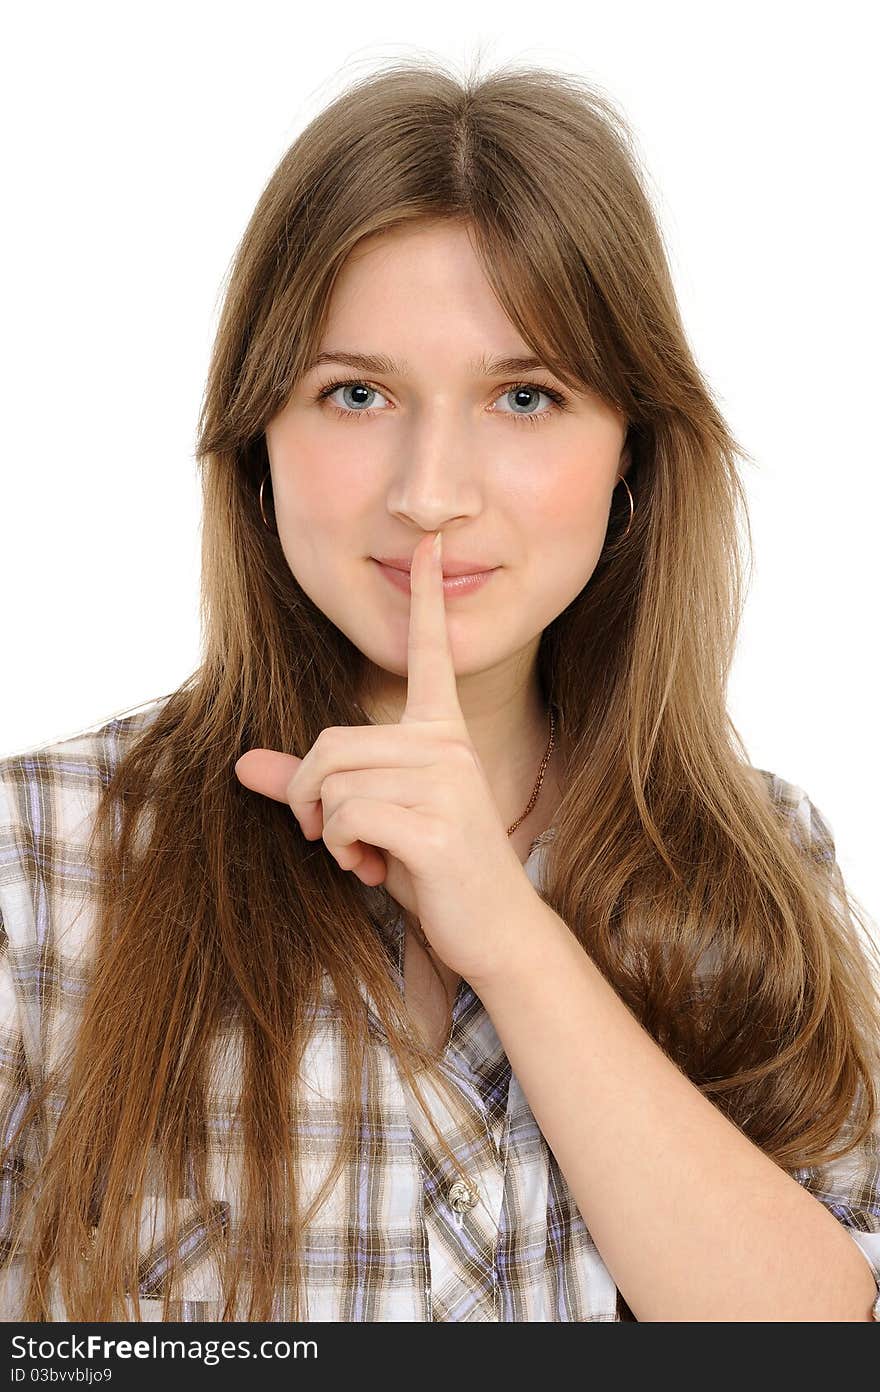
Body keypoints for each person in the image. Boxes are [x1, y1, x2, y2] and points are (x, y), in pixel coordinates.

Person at [2, 56, 879, 1324]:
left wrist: (510, 938)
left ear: (630, 451)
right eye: (355, 394)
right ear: (257, 442)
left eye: (525, 397)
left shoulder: (755, 861)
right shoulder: (43, 862)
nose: (428, 491)